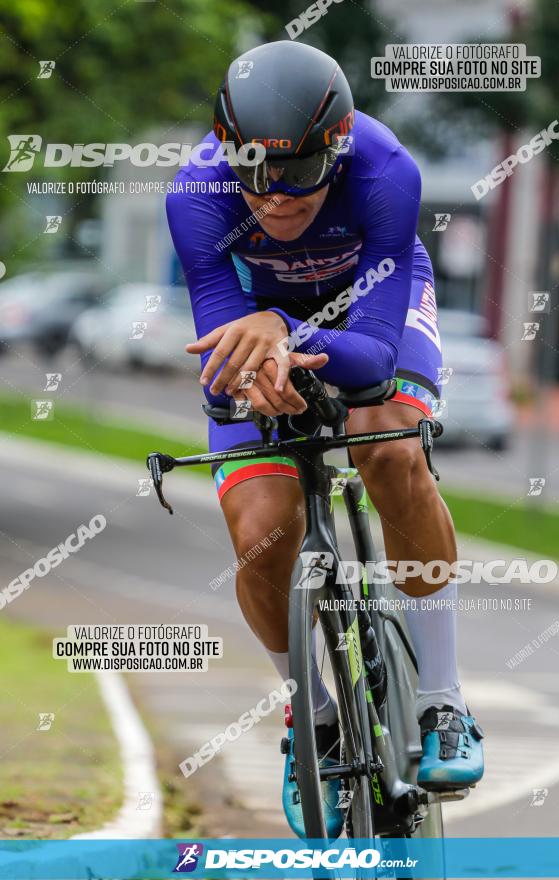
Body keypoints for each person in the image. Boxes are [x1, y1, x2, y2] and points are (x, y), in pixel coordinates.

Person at [167, 39, 484, 839]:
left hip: (370, 312)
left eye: (299, 174)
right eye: (254, 174)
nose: (274, 198)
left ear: (335, 152)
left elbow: (375, 355)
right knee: (261, 528)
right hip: (256, 329)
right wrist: (255, 363)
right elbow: (219, 350)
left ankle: (442, 701)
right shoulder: (197, 192)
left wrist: (280, 329)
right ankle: (306, 715)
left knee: (388, 447)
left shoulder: (385, 170)